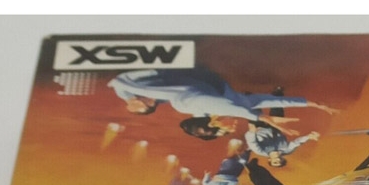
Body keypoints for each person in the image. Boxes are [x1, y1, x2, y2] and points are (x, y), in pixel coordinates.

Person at [107, 69, 337, 140]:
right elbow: (270, 100)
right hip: (200, 77)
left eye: (225, 129)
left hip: (177, 79)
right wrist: (314, 104)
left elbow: (228, 109)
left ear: (214, 122)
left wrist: (263, 118)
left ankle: (135, 98)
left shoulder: (191, 105)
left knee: (133, 95)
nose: (232, 127)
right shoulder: (237, 103)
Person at [244, 122, 320, 167]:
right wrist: (308, 137)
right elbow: (297, 143)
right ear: (283, 159)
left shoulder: (260, 151)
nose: (278, 160)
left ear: (269, 159)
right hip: (277, 126)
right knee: (277, 106)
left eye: (275, 162)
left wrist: (252, 132)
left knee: (253, 109)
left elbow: (252, 142)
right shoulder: (287, 150)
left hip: (259, 127)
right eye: (281, 161)